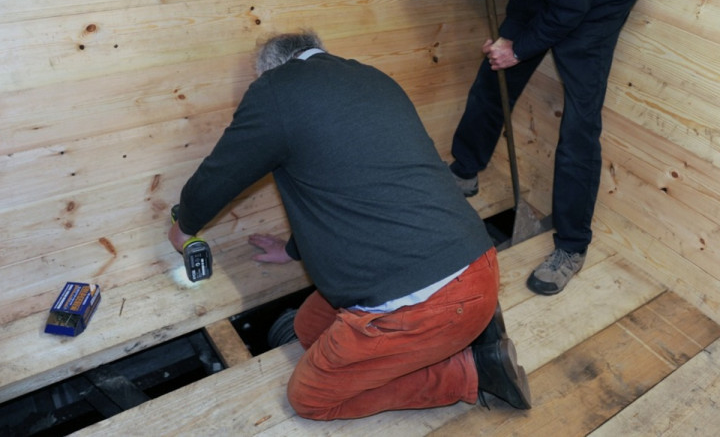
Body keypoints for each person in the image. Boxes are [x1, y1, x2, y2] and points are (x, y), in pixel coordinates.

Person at [168, 31, 531, 420]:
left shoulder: (276, 89)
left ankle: (471, 372)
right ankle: (462, 333)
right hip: (476, 264)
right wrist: (292, 251)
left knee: (311, 398)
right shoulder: (373, 78)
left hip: (423, 299)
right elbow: (346, 185)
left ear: (269, 71)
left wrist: (184, 224)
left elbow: (220, 174)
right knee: (309, 329)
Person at [430, 0, 649, 295]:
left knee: (580, 119)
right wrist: (513, 47)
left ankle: (571, 246)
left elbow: (570, 7)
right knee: (496, 71)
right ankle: (465, 169)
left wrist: (520, 46)